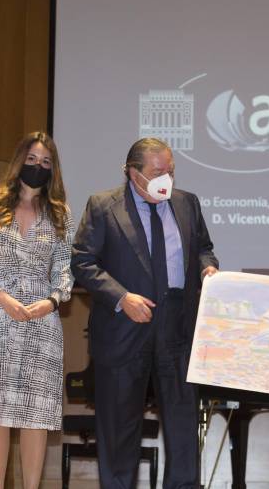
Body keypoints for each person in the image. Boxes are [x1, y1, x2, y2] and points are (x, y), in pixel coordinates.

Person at [71, 137, 219, 489]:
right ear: (132, 173)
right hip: (124, 328)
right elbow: (82, 261)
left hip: (178, 330)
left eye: (170, 170)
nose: (165, 178)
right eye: (157, 172)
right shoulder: (103, 206)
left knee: (183, 427)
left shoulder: (187, 204)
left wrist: (207, 269)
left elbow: (204, 249)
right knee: (120, 429)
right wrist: (122, 298)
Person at [0, 132, 74, 489]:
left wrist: (52, 300)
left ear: (53, 170)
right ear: (19, 161)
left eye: (46, 163)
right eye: (33, 160)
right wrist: (2, 296)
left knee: (36, 414)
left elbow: (65, 269)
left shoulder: (61, 215)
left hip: (42, 320)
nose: (38, 167)